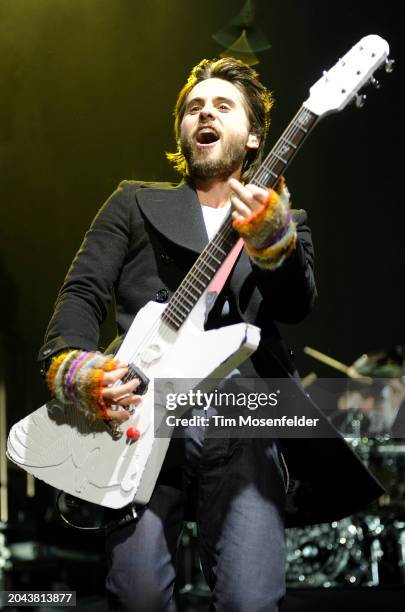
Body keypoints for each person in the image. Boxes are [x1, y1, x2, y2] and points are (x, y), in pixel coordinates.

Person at [39, 58, 383, 611]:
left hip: (244, 414)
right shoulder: (133, 201)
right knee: (139, 595)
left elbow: (298, 305)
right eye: (194, 107)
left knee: (250, 600)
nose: (205, 112)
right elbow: (82, 294)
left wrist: (274, 238)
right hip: (141, 414)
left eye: (223, 106)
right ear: (182, 131)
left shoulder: (285, 219)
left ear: (252, 137)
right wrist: (75, 368)